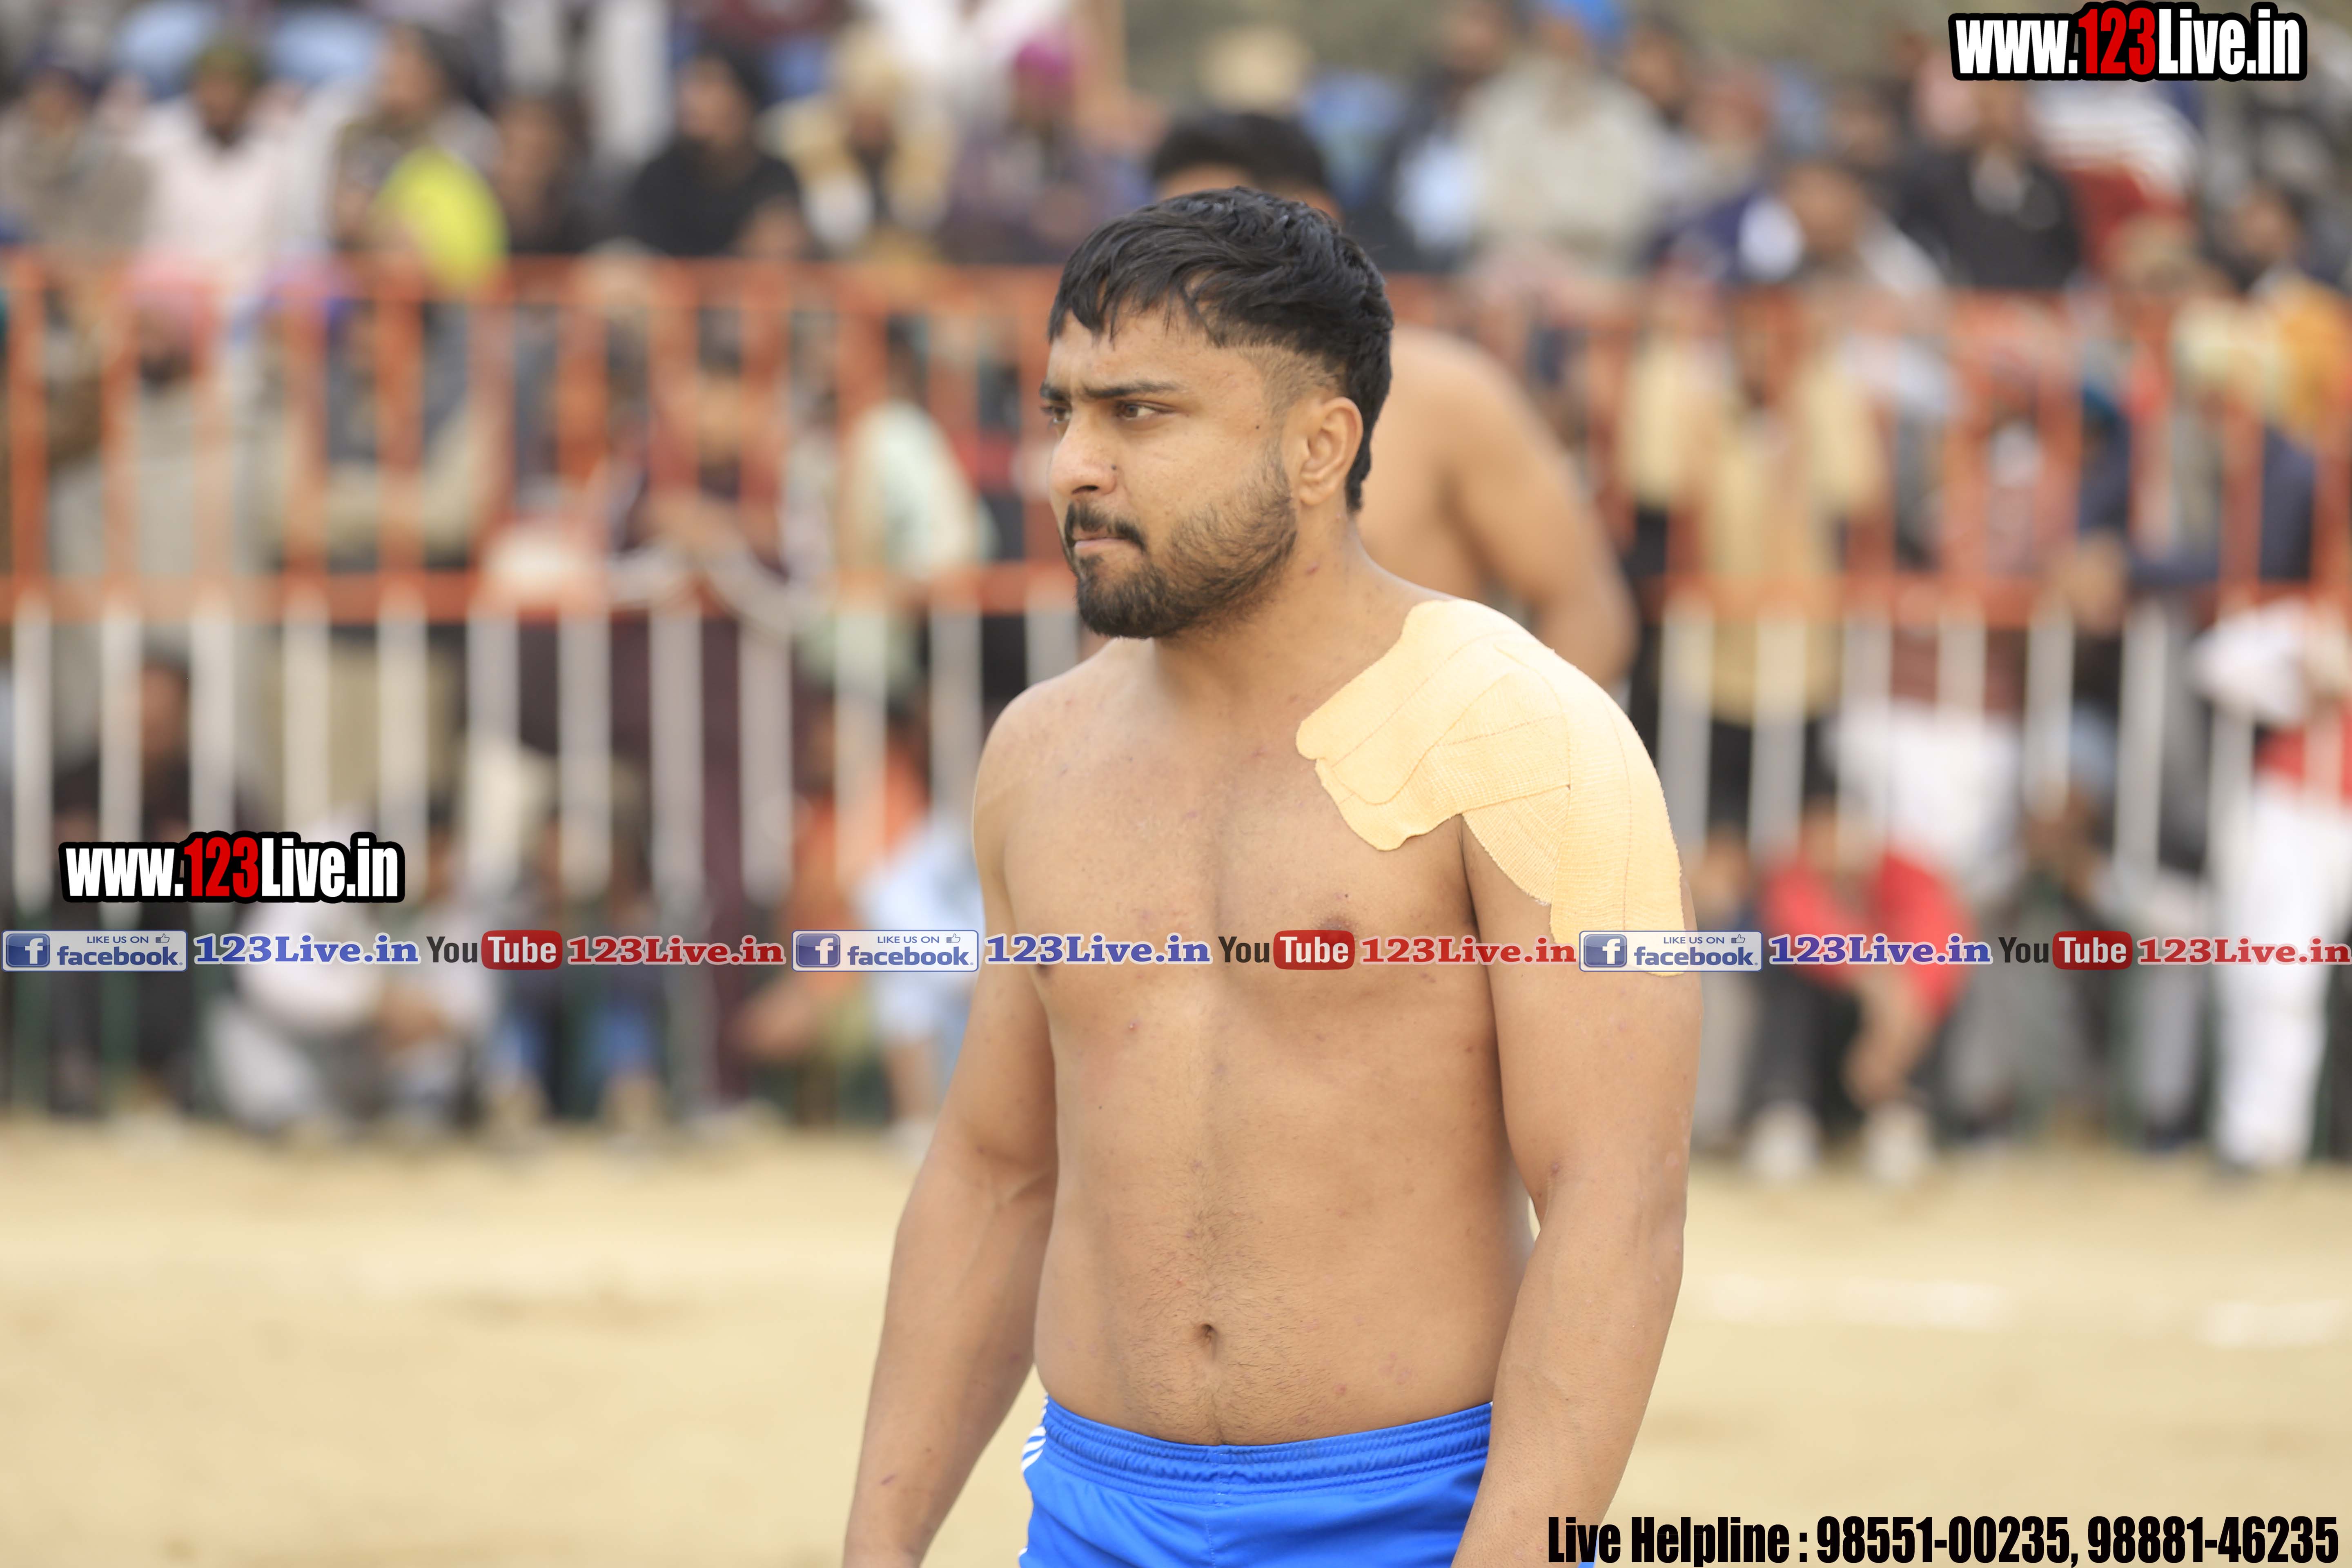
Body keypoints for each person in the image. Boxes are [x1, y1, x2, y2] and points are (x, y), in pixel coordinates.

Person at [843, 189, 1697, 1568]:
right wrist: (877, 1550)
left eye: (1140, 414)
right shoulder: (1039, 755)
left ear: (1319, 446)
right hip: (1092, 1517)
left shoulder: (1522, 735)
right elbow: (995, 1173)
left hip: (1411, 1521)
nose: (1071, 467)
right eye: (1063, 412)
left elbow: (1617, 1197)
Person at [1150, 112, 1635, 685]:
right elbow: (1119, 642)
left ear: (1311, 218)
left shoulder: (1446, 395)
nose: (1177, 270)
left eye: (1211, 235)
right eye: (1164, 239)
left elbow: (1586, 609)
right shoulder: (1142, 410)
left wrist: (1498, 741)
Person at [619, 38, 804, 258]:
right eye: (687, 85)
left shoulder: (776, 178)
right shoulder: (656, 179)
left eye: (706, 85)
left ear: (746, 101)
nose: (690, 98)